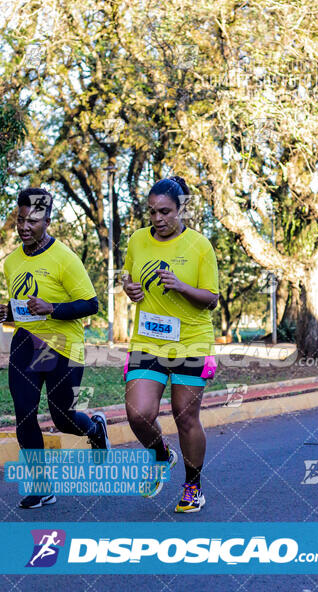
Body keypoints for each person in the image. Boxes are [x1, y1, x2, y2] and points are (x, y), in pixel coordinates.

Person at [0, 188, 109, 509]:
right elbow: (23, 307)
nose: (25, 226)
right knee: (24, 413)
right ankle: (41, 486)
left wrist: (53, 308)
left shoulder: (65, 258)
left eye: (33, 220)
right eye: (20, 219)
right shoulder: (12, 260)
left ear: (48, 221)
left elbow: (91, 304)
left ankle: (95, 428)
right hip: (26, 345)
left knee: (62, 418)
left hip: (63, 348)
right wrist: (5, 312)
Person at [122, 176, 219, 513]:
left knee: (185, 415)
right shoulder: (137, 240)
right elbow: (130, 277)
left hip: (191, 341)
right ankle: (161, 454)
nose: (158, 219)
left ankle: (193, 486)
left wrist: (180, 286)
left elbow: (211, 299)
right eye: (152, 213)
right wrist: (129, 288)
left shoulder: (199, 246)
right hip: (148, 340)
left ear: (181, 211)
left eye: (165, 212)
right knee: (138, 413)